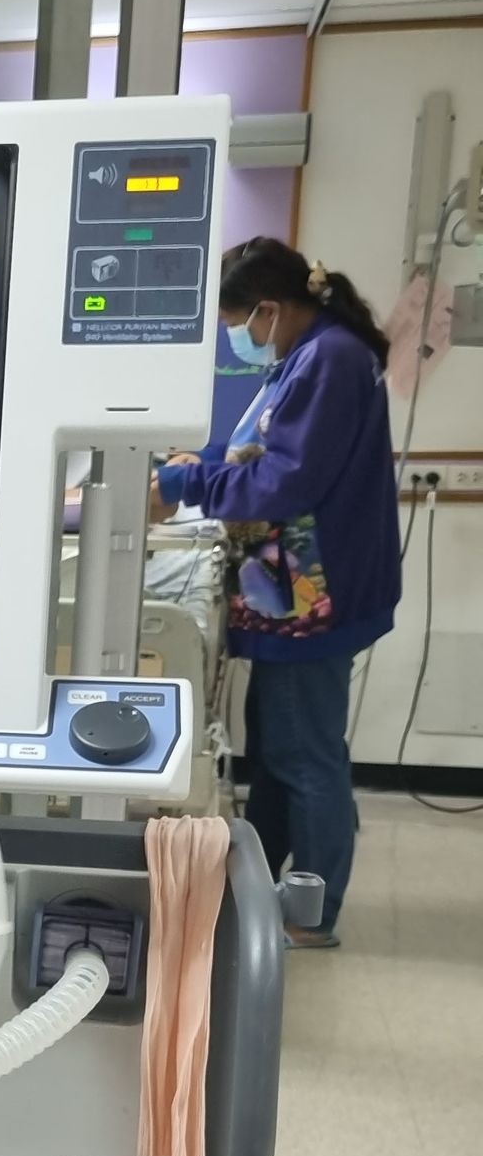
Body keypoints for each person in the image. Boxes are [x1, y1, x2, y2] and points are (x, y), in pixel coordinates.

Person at [153, 237, 401, 948]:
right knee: (279, 747)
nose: (242, 338)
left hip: (312, 595)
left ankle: (311, 913)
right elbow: (261, 452)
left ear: (269, 308)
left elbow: (286, 479)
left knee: (303, 753)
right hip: (293, 590)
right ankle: (263, 888)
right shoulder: (309, 356)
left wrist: (182, 486)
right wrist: (195, 466)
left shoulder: (331, 360)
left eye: (241, 322)